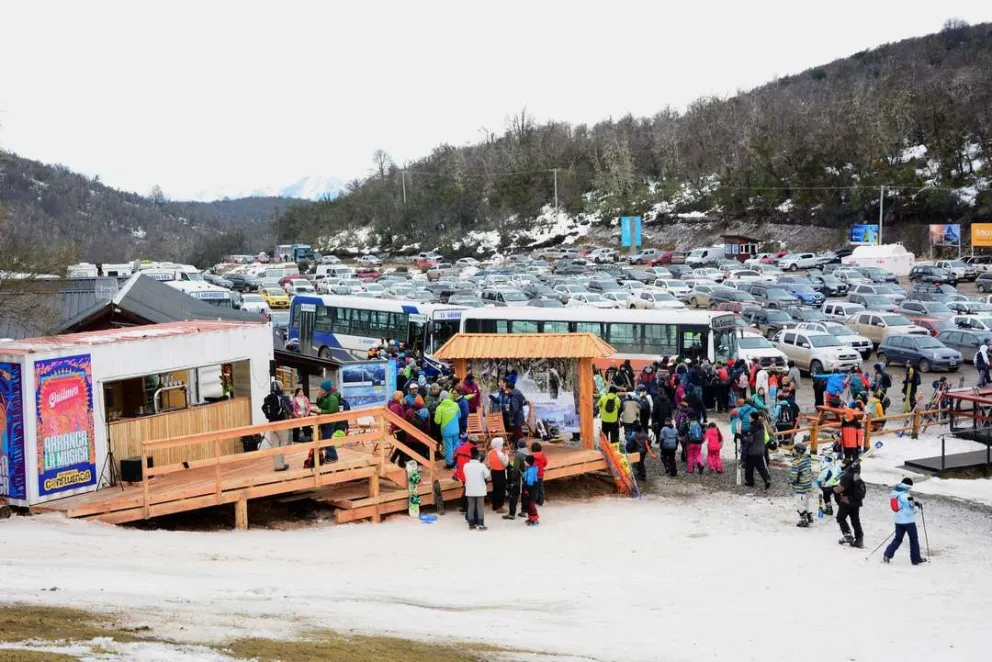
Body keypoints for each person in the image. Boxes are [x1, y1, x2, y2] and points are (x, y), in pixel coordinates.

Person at [883, 478, 928, 565]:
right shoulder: (907, 495)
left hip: (898, 521)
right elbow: (910, 510)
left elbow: (902, 505)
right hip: (909, 522)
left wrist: (915, 503)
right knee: (913, 539)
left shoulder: (895, 493)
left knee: (898, 539)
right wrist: (917, 507)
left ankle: (887, 554)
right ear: (909, 486)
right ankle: (916, 558)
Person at [834, 458, 865, 548]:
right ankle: (859, 539)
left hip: (846, 501)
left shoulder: (847, 475)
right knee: (855, 520)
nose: (841, 466)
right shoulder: (856, 475)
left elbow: (840, 489)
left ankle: (847, 535)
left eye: (843, 464)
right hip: (856, 501)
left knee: (840, 518)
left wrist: (833, 489)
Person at [462, 447, 491, 530]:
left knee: (471, 506)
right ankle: (481, 524)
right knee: (480, 507)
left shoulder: (466, 465)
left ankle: (471, 524)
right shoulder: (482, 466)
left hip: (470, 489)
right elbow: (487, 475)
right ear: (478, 457)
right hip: (480, 490)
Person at [788, 442, 814, 527]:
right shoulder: (807, 459)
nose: (792, 451)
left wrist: (790, 480)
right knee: (806, 503)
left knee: (799, 504)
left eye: (794, 450)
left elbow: (793, 475)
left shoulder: (796, 463)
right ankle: (809, 516)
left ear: (798, 452)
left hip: (800, 486)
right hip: (808, 485)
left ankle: (804, 519)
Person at [315, 381, 340, 461]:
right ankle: (328, 455)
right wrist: (318, 398)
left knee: (327, 439)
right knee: (325, 438)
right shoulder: (324, 397)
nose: (319, 390)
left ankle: (333, 456)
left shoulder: (333, 398)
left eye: (321, 389)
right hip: (324, 421)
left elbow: (332, 410)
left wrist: (321, 411)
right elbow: (319, 405)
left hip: (330, 422)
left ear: (325, 390)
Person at [262, 381, 292, 448]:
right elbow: (289, 411)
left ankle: (277, 459)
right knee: (283, 445)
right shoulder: (282, 398)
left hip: (271, 424)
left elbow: (264, 408)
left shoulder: (268, 398)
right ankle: (281, 459)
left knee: (275, 447)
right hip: (281, 424)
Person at [503, 439, 528, 520]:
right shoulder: (528, 454)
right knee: (524, 495)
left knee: (514, 496)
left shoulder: (518, 455)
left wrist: (513, 479)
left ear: (518, 445)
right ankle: (524, 511)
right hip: (526, 478)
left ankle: (511, 514)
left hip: (519, 480)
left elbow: (516, 469)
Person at [435, 391, 461, 468]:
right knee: (456, 446)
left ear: (441, 398)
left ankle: (450, 464)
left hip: (446, 431)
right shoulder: (455, 405)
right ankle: (458, 462)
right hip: (456, 429)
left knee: (448, 448)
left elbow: (437, 421)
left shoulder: (439, 408)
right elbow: (459, 416)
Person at [745, 412, 771, 489]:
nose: (748, 418)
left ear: (753, 418)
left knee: (749, 467)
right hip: (761, 449)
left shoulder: (752, 427)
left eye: (749, 417)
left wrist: (742, 437)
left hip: (752, 451)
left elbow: (750, 440)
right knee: (761, 467)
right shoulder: (761, 425)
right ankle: (767, 480)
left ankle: (750, 482)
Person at [453, 435, 476, 515]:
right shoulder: (474, 449)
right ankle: (464, 507)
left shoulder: (461, 447)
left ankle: (463, 507)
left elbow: (454, 457)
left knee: (465, 488)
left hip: (460, 472)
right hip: (469, 472)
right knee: (467, 490)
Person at [487, 437, 509, 512]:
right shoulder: (501, 454)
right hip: (500, 472)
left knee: (495, 489)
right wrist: (507, 455)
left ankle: (495, 505)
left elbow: (489, 463)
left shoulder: (490, 452)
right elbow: (505, 464)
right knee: (501, 490)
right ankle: (500, 506)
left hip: (493, 472)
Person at [522, 455, 540, 525]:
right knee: (529, 503)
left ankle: (534, 518)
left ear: (528, 462)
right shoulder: (530, 468)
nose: (524, 462)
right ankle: (530, 517)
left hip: (531, 489)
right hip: (531, 487)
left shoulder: (531, 470)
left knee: (531, 503)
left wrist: (526, 489)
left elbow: (529, 482)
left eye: (525, 461)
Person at [530, 441, 548, 505]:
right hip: (540, 475)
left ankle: (532, 500)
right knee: (540, 488)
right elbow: (545, 463)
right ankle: (541, 501)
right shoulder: (542, 456)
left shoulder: (530, 456)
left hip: (532, 475)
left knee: (533, 488)